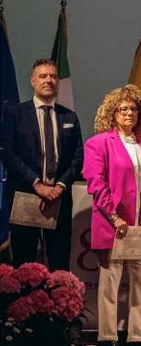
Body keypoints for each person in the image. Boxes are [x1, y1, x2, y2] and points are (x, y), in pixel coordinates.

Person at [85, 85, 141, 346]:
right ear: (113, 112)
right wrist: (114, 217)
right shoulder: (98, 144)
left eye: (134, 109)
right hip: (114, 227)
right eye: (123, 109)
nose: (129, 113)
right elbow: (96, 183)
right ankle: (107, 337)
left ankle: (137, 337)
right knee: (110, 285)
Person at [0, 58, 83, 269]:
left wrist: (59, 187)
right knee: (24, 266)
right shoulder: (15, 114)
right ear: (33, 81)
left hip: (59, 200)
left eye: (53, 76)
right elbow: (8, 154)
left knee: (59, 266)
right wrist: (37, 184)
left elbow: (78, 157)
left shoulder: (70, 117)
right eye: (43, 76)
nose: (48, 80)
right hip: (26, 196)